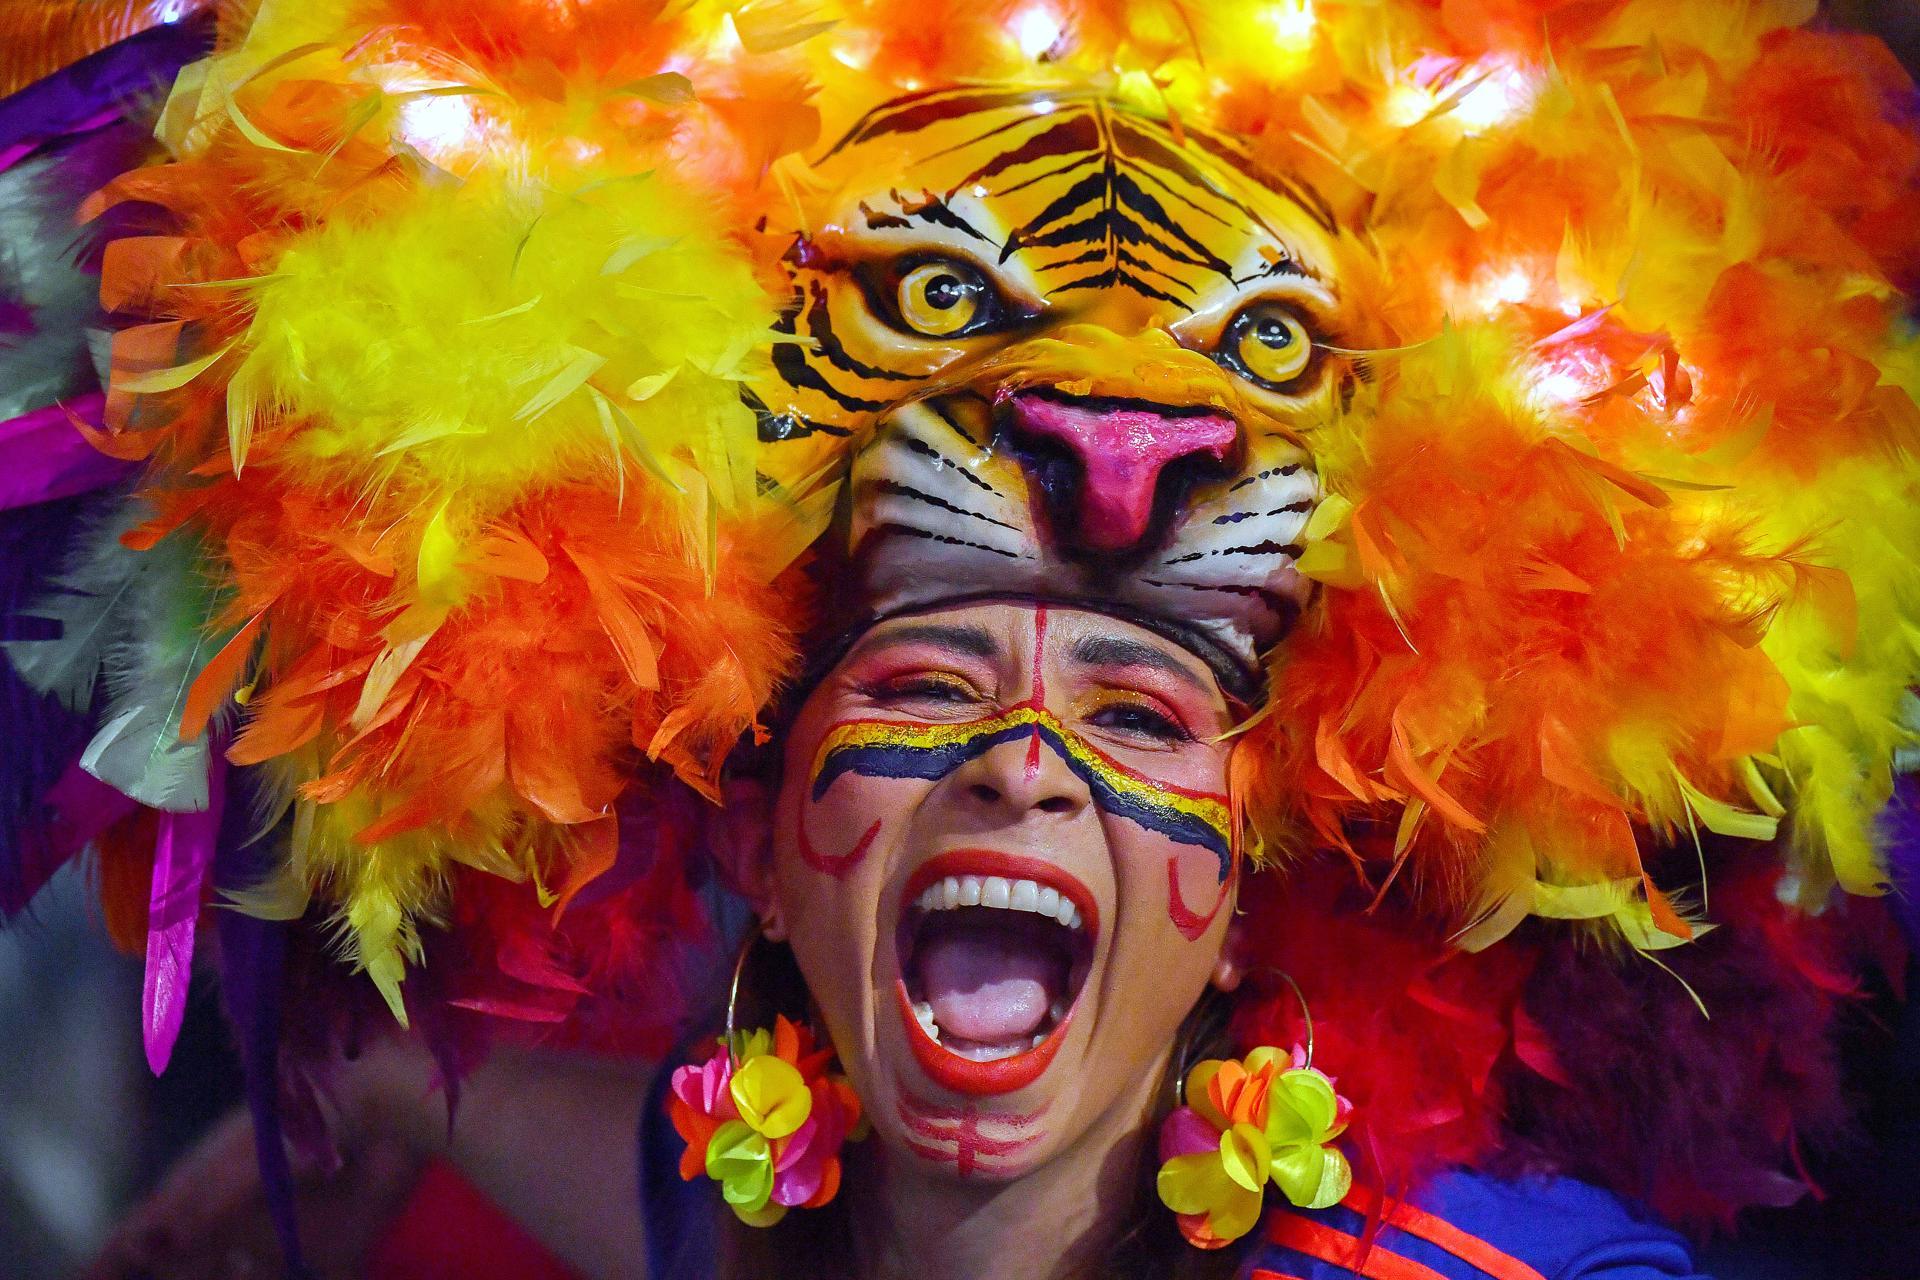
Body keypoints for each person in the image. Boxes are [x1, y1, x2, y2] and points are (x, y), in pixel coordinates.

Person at [4, 1, 1919, 1277]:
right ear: (758, 848)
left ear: (1245, 895)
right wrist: (361, 1087)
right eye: (924, 690)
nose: (1024, 761)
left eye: (1144, 721)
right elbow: (648, 1187)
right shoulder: (780, 1211)